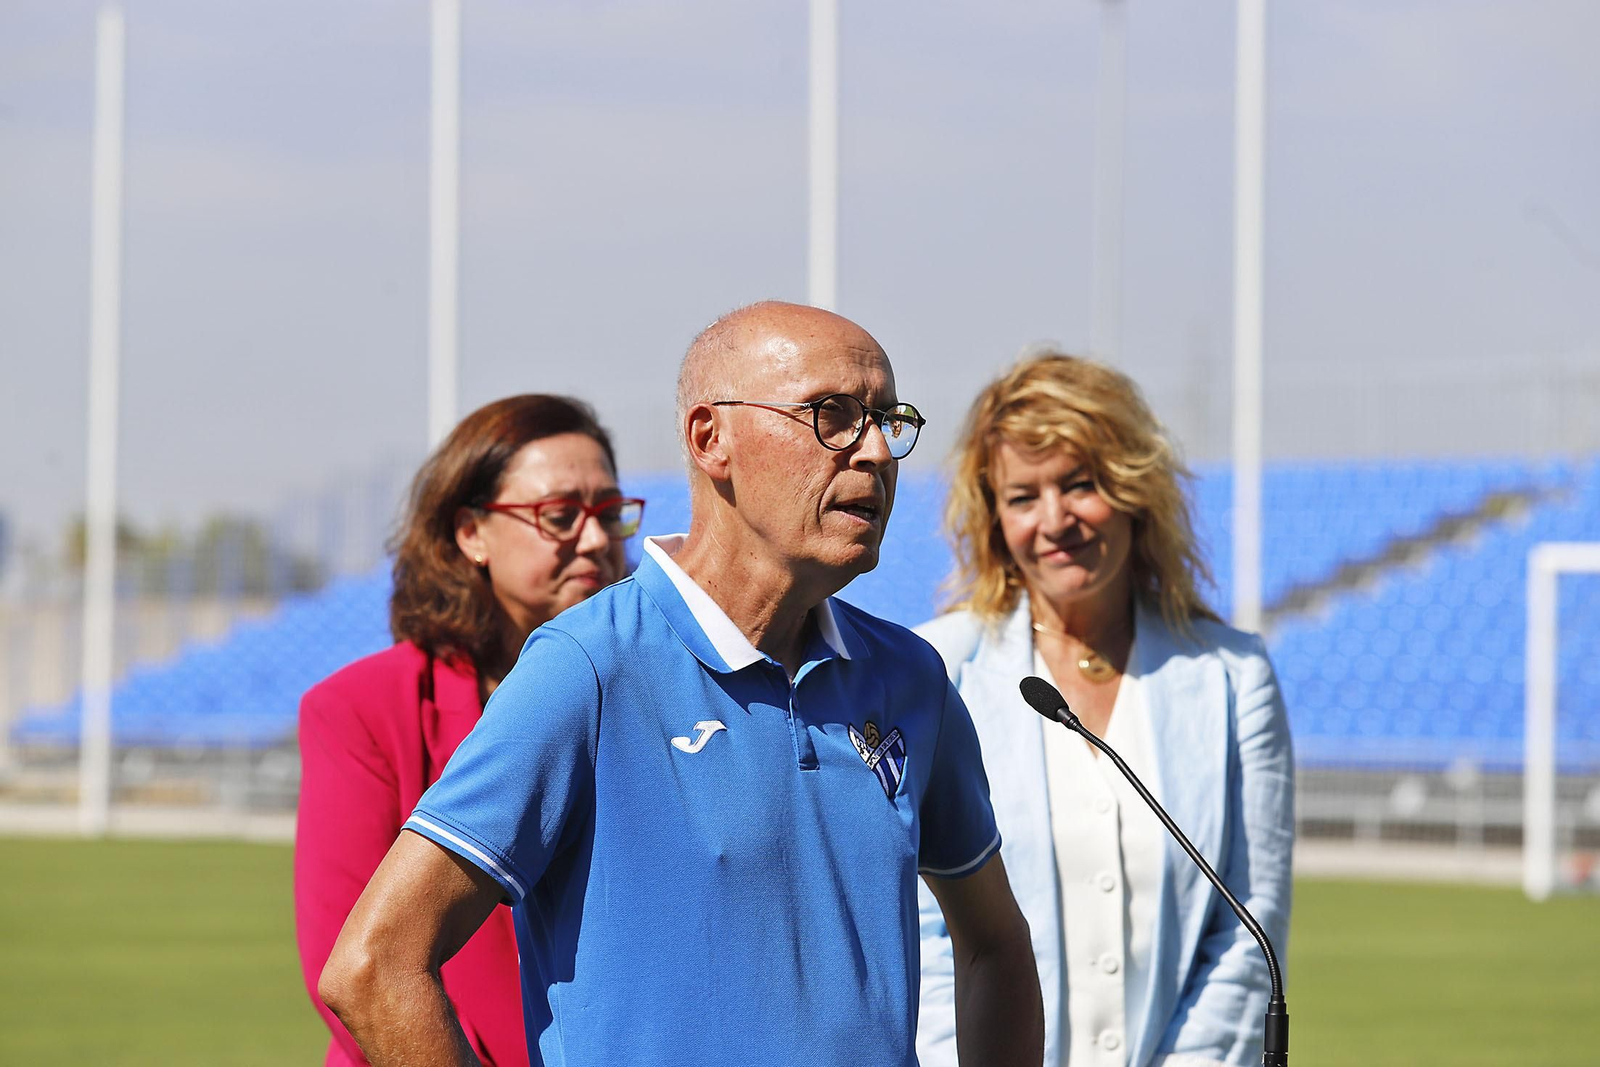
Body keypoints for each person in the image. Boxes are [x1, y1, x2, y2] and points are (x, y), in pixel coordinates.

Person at [316, 301, 1044, 1067]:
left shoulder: (909, 678)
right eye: (833, 415)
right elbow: (373, 966)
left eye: (886, 418)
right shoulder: (587, 665)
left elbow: (995, 944)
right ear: (711, 439)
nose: (874, 451)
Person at [915, 353, 1294, 1067]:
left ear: (1133, 489)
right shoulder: (936, 673)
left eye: (1080, 484)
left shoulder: (1233, 675)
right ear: (994, 518)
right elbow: (927, 941)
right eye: (1023, 496)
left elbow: (1250, 924)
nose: (1054, 519)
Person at [295, 393, 644, 1067]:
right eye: (561, 515)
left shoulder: (660, 686)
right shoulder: (361, 708)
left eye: (609, 512)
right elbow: (354, 971)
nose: (598, 539)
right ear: (470, 533)